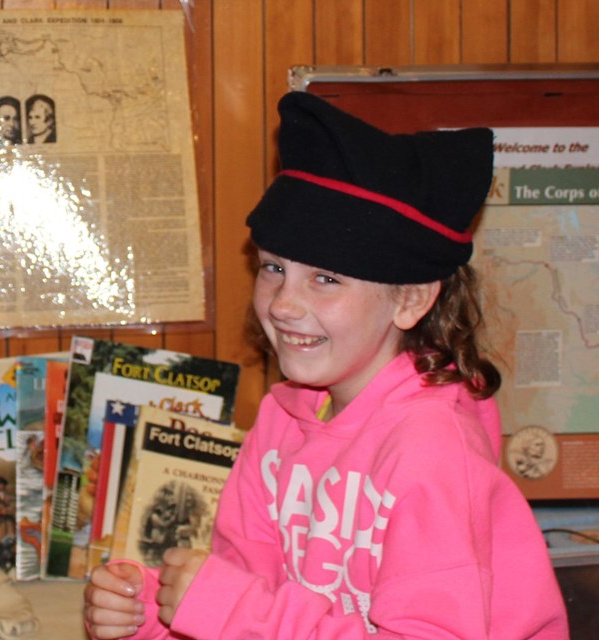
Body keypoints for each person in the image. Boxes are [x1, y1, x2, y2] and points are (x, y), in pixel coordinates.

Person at [83, 92, 569, 639]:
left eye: (326, 278)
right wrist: (154, 614)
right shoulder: (280, 423)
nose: (283, 303)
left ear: (410, 299)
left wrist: (233, 612)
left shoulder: (432, 449)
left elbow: (253, 619)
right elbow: (247, 602)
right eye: (273, 268)